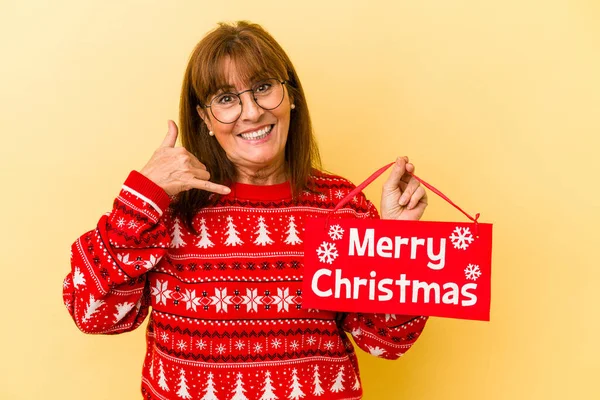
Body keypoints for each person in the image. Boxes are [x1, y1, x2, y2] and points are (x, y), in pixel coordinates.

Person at [62, 21, 429, 400]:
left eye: (263, 87)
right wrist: (142, 198)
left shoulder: (342, 207)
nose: (251, 112)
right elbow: (91, 313)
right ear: (204, 119)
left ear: (291, 96)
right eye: (225, 99)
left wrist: (397, 246)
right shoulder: (166, 208)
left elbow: (388, 342)